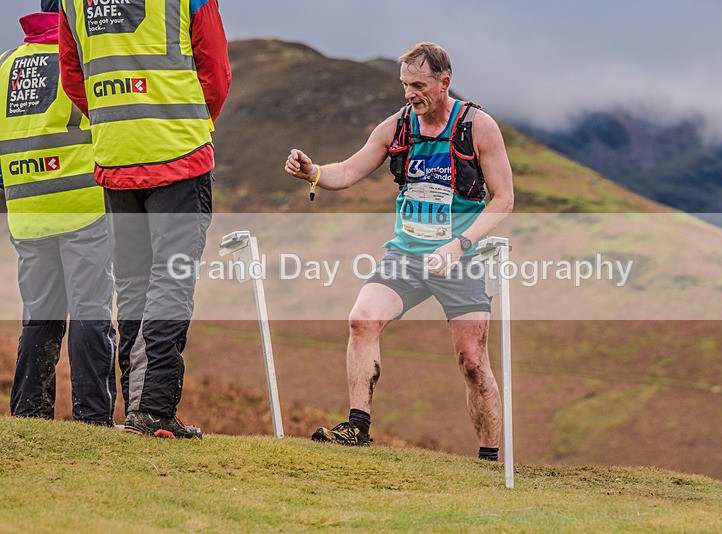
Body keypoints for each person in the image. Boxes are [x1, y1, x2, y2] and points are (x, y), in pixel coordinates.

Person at [285, 42, 514, 460]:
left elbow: (503, 199)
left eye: (419, 85)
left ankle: (489, 459)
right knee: (361, 320)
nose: (410, 93)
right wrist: (314, 172)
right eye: (405, 85)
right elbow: (350, 170)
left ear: (446, 82)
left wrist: (458, 244)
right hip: (405, 256)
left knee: (473, 362)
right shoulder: (397, 126)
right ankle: (357, 427)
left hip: (459, 259)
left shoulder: (478, 127)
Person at [59, 0, 231, 438]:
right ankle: (152, 409)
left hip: (116, 156)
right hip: (179, 155)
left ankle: (139, 406)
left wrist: (115, 122)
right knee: (171, 280)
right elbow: (215, 71)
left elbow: (73, 77)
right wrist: (189, 121)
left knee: (134, 282)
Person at [0, 0, 116, 425]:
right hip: (83, 204)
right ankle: (93, 418)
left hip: (26, 209)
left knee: (39, 315)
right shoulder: (83, 57)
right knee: (91, 311)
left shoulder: (6, 63)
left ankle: (29, 413)